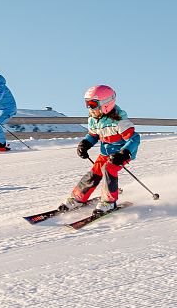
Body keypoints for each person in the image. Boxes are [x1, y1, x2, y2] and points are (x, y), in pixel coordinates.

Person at [59, 85, 140, 216]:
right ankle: (78, 198)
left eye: (92, 104)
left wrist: (124, 153)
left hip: (121, 154)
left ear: (106, 104)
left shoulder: (120, 121)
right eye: (87, 103)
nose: (89, 107)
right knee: (94, 173)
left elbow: (134, 139)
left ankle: (109, 202)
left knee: (109, 169)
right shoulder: (93, 119)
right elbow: (93, 135)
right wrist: (85, 144)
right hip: (105, 153)